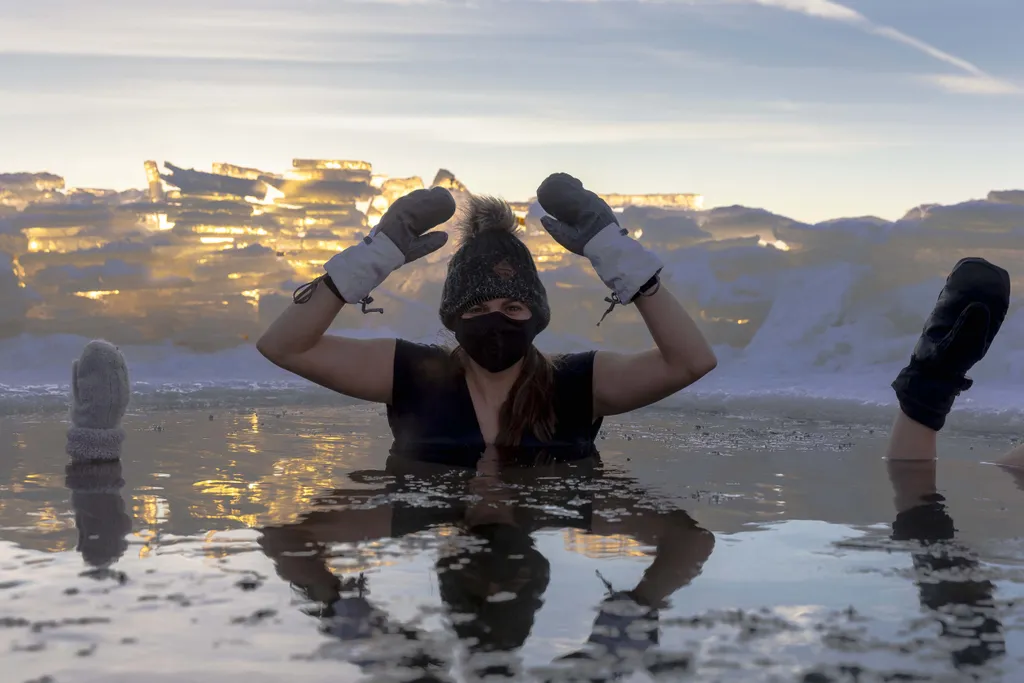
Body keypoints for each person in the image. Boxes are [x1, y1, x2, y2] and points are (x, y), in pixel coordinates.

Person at [257, 173, 717, 451]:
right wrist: (365, 263)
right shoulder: (414, 374)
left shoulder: (576, 384)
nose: (496, 321)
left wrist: (620, 259)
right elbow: (283, 347)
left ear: (536, 316)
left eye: (513, 306)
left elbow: (691, 362)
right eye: (478, 306)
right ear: (454, 317)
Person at [258, 450, 715, 680]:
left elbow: (282, 540)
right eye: (512, 578)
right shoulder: (566, 497)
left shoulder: (412, 499)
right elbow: (692, 542)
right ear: (536, 570)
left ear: (450, 565)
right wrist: (628, 621)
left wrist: (347, 615)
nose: (495, 575)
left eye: (476, 577)